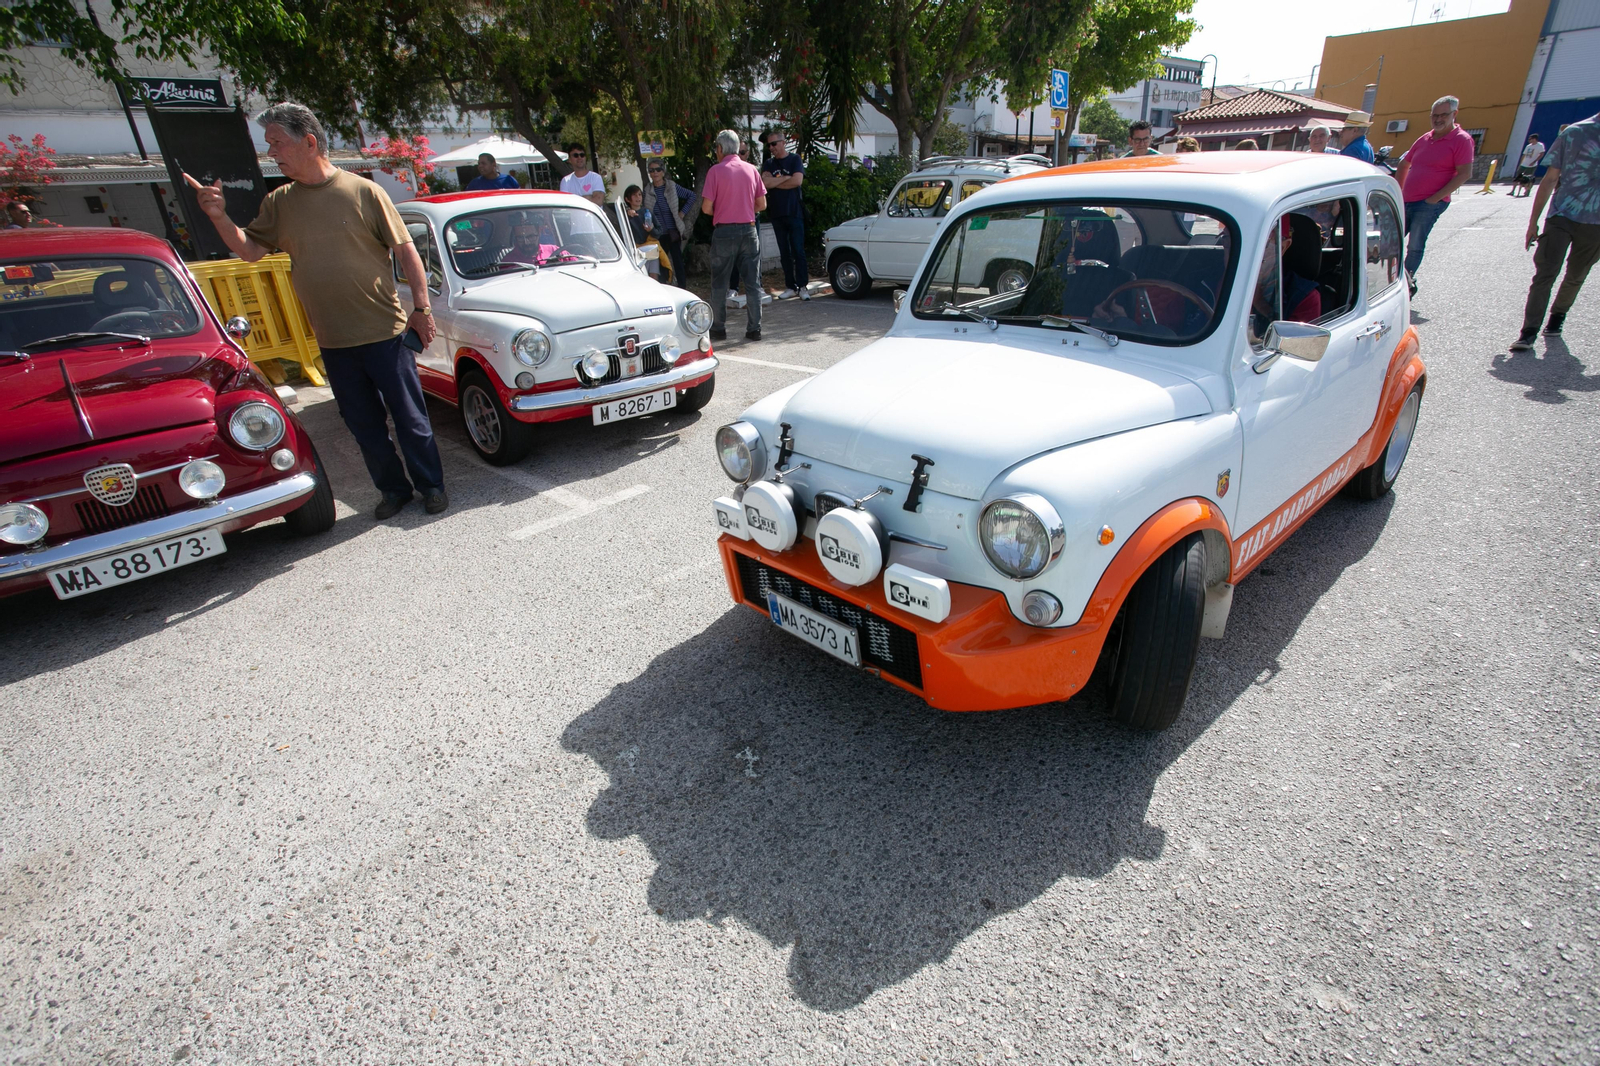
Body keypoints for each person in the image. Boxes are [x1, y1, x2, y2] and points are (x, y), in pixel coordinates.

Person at [183, 102, 447, 519]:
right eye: (268, 144)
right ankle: (393, 491)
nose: (271, 152)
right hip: (333, 341)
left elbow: (406, 250)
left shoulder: (363, 191)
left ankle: (431, 486)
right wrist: (218, 216)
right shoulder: (280, 202)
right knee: (365, 427)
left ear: (309, 141)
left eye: (277, 142)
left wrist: (422, 308)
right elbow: (250, 251)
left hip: (385, 333)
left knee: (411, 420)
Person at [1510, 111, 1600, 350]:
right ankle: (1528, 332)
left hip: (1596, 225)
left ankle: (1557, 317)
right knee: (1545, 274)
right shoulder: (1574, 133)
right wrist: (1533, 222)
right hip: (1561, 216)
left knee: (1576, 276)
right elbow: (1550, 179)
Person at [1395, 95, 1474, 297]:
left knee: (1414, 245)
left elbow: (1465, 173)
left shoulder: (1461, 140)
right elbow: (1404, 163)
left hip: (1428, 204)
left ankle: (1405, 284)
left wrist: (1434, 198)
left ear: (1454, 114)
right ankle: (1387, 280)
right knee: (1390, 241)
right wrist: (1397, 192)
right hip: (1406, 201)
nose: (1438, 119)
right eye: (1434, 115)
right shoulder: (1424, 138)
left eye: (1443, 115)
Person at [700, 128, 766, 341]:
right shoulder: (752, 170)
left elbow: (706, 208)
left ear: (720, 149)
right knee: (753, 283)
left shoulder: (715, 171)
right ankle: (754, 329)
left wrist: (724, 206)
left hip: (724, 231)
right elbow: (762, 204)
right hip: (748, 229)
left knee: (719, 282)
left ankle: (718, 328)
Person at [761, 129, 809, 300]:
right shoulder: (768, 163)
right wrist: (785, 178)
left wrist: (777, 182)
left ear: (783, 142)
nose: (771, 148)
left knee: (798, 249)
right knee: (784, 252)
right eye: (769, 145)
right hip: (777, 213)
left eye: (774, 144)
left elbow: (797, 181)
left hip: (794, 212)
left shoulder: (795, 159)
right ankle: (790, 285)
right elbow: (765, 183)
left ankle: (803, 286)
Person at [646, 159, 696, 287]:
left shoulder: (672, 186)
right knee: (660, 264)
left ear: (663, 171)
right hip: (657, 233)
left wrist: (682, 213)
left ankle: (683, 289)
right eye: (651, 170)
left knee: (678, 262)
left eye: (658, 169)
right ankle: (664, 290)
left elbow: (692, 196)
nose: (655, 173)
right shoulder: (647, 190)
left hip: (673, 231)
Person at [621, 184, 660, 278]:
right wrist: (627, 212)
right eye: (634, 195)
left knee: (654, 276)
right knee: (641, 277)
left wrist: (651, 230)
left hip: (651, 248)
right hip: (636, 251)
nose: (638, 197)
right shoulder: (625, 215)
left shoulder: (648, 212)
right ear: (627, 199)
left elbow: (659, 231)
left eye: (639, 194)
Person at [1514, 133, 1544, 197]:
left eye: (1530, 139)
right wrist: (1520, 163)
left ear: (1534, 139)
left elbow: (1541, 154)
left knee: (1528, 179)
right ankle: (1513, 191)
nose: (1529, 140)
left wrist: (1534, 161)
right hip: (1524, 164)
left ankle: (1527, 191)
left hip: (1531, 165)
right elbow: (1524, 155)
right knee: (1517, 177)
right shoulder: (1528, 146)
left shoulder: (1540, 145)